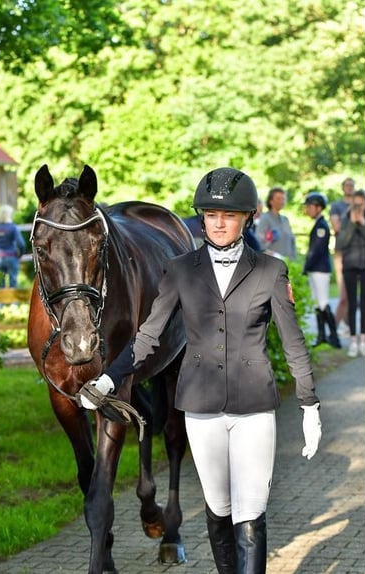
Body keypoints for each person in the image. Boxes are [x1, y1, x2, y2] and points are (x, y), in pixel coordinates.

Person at [80, 167, 321, 574]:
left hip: (254, 406)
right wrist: (108, 377)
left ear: (247, 217)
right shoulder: (179, 270)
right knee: (219, 510)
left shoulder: (270, 271)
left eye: (229, 215)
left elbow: (294, 341)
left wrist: (309, 404)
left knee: (251, 513)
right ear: (203, 218)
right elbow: (147, 337)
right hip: (201, 407)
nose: (219, 222)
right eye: (210, 215)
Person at [303, 192, 341, 348]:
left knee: (323, 302)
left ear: (318, 207)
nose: (307, 210)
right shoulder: (319, 224)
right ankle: (322, 336)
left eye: (310, 206)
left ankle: (334, 337)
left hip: (319, 269)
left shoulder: (322, 226)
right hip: (315, 269)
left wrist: (306, 266)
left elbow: (316, 250)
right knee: (318, 304)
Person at [336, 189, 365, 357]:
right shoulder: (345, 217)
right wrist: (352, 224)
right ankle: (353, 341)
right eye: (356, 202)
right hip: (349, 265)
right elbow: (341, 242)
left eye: (362, 202)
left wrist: (362, 222)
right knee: (352, 304)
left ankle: (363, 339)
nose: (358, 206)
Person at [329, 178, 355, 334]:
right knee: (344, 294)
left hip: (361, 253)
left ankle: (351, 327)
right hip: (343, 252)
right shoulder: (337, 206)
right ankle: (334, 330)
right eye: (347, 185)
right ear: (342, 188)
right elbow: (337, 227)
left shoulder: (363, 206)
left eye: (352, 185)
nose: (350, 188)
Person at [254, 186, 297, 260]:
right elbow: (258, 242)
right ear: (271, 201)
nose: (282, 201)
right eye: (278, 199)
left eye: (283, 199)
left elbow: (292, 241)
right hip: (272, 263)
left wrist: (293, 259)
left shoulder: (285, 220)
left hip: (288, 263)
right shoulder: (265, 218)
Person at [0, 204, 25, 288]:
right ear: (9, 215)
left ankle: (1, 301)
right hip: (12, 257)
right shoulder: (13, 228)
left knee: (0, 286)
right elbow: (21, 244)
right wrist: (20, 255)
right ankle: (13, 301)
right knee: (13, 283)